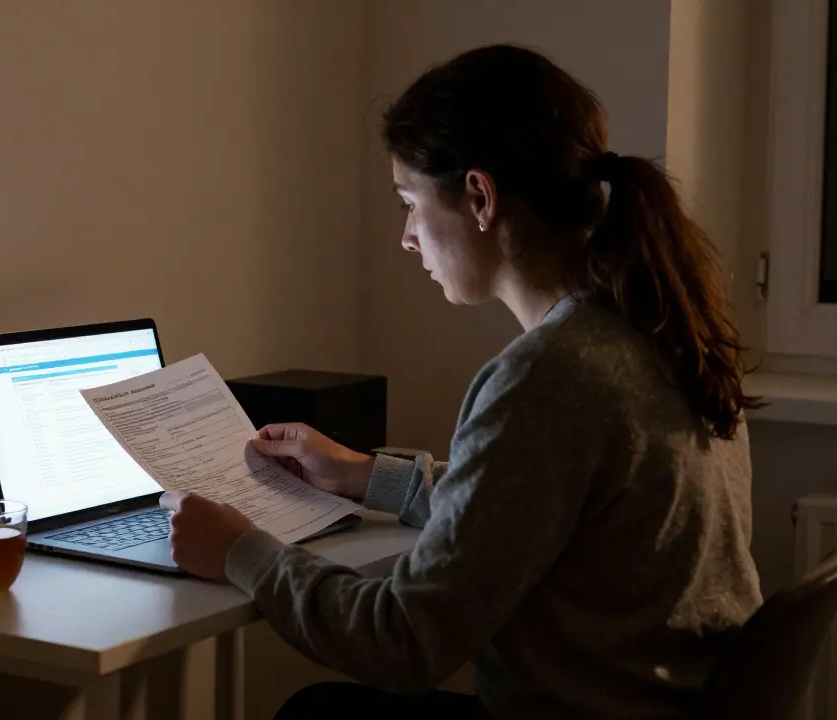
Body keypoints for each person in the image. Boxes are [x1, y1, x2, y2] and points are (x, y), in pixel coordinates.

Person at [161, 44, 763, 719]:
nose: (407, 237)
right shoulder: (658, 331)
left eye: (409, 203)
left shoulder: (550, 376)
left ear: (479, 196)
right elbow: (525, 509)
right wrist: (361, 475)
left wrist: (242, 551)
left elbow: (402, 641)